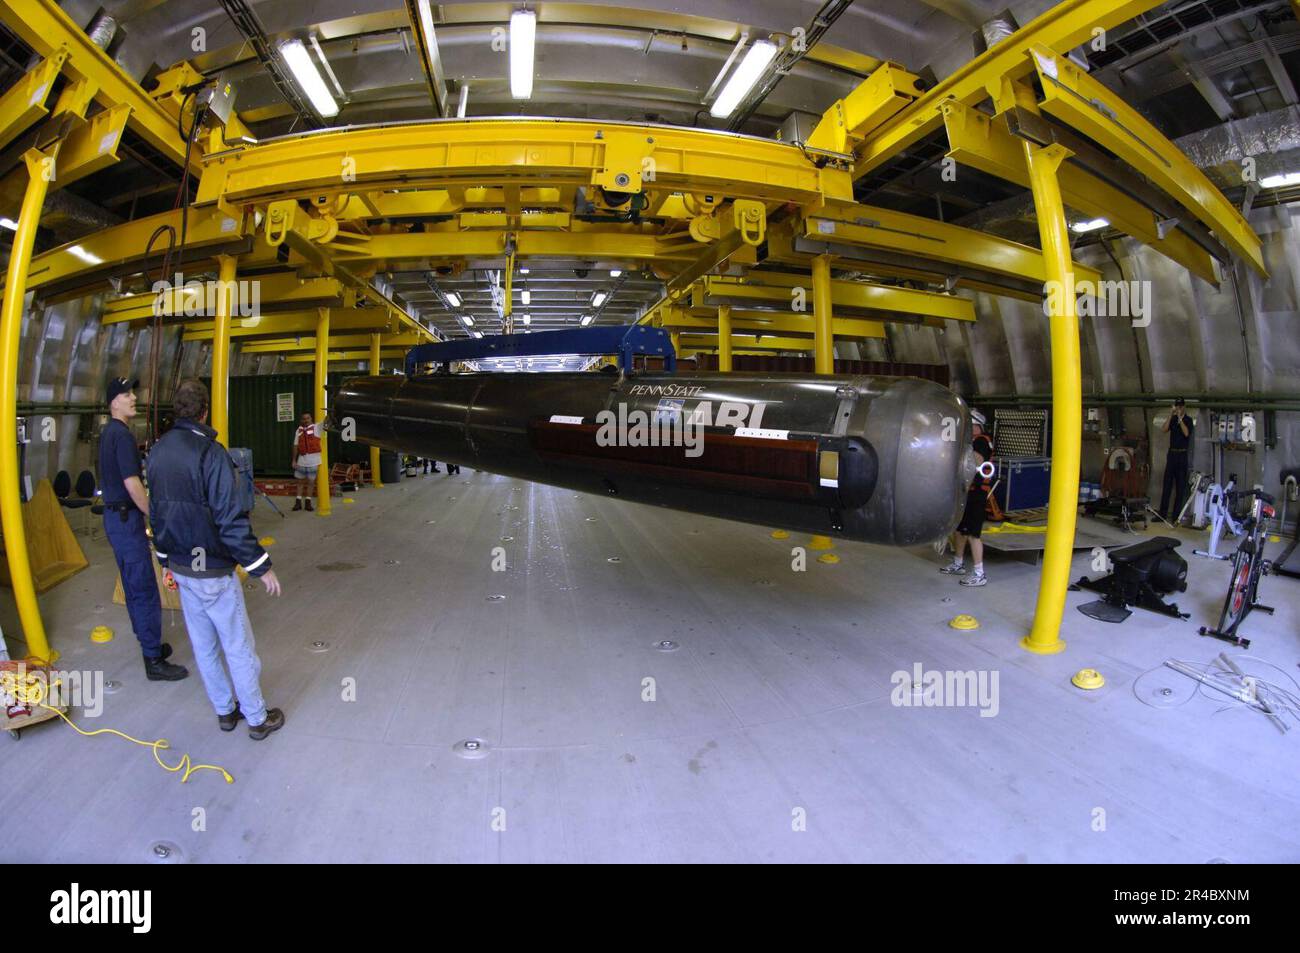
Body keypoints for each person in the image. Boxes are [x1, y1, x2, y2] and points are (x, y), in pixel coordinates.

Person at [147, 379, 285, 740]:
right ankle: (257, 718)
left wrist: (164, 560)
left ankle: (225, 712)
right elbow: (229, 517)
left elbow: (156, 514)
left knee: (204, 647)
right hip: (212, 569)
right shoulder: (211, 453)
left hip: (181, 566)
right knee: (238, 647)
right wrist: (260, 565)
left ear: (177, 410)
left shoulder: (158, 451)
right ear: (205, 410)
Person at [97, 377, 188, 681]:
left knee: (133, 583)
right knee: (144, 588)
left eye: (133, 392)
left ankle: (148, 644)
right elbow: (133, 484)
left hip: (116, 520)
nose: (134, 397)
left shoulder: (109, 432)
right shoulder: (121, 436)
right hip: (127, 521)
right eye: (127, 393)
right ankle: (153, 661)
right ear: (114, 402)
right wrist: (155, 515)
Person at [941, 409, 994, 587]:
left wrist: (962, 448)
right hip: (967, 491)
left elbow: (976, 461)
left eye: (970, 425)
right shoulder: (973, 441)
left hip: (977, 493)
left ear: (977, 426)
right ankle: (958, 563)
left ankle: (979, 573)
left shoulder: (981, 442)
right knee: (959, 530)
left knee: (973, 534)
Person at [1159, 397, 1195, 523]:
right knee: (1167, 484)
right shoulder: (1173, 419)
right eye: (1177, 406)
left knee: (1180, 487)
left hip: (1182, 456)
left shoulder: (1188, 420)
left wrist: (1180, 419)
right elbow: (1164, 429)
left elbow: (1186, 433)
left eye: (1180, 406)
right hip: (1172, 454)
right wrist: (1171, 415)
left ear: (1184, 407)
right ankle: (1162, 514)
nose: (1178, 408)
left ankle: (1175, 516)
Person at [291, 411, 324, 511]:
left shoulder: (317, 428)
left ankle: (308, 503)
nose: (306, 420)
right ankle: (298, 503)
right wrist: (294, 460)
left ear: (311, 419)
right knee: (300, 482)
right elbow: (295, 446)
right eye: (304, 419)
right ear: (301, 420)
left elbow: (327, 420)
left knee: (311, 482)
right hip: (301, 461)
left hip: (314, 461)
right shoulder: (299, 431)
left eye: (308, 418)